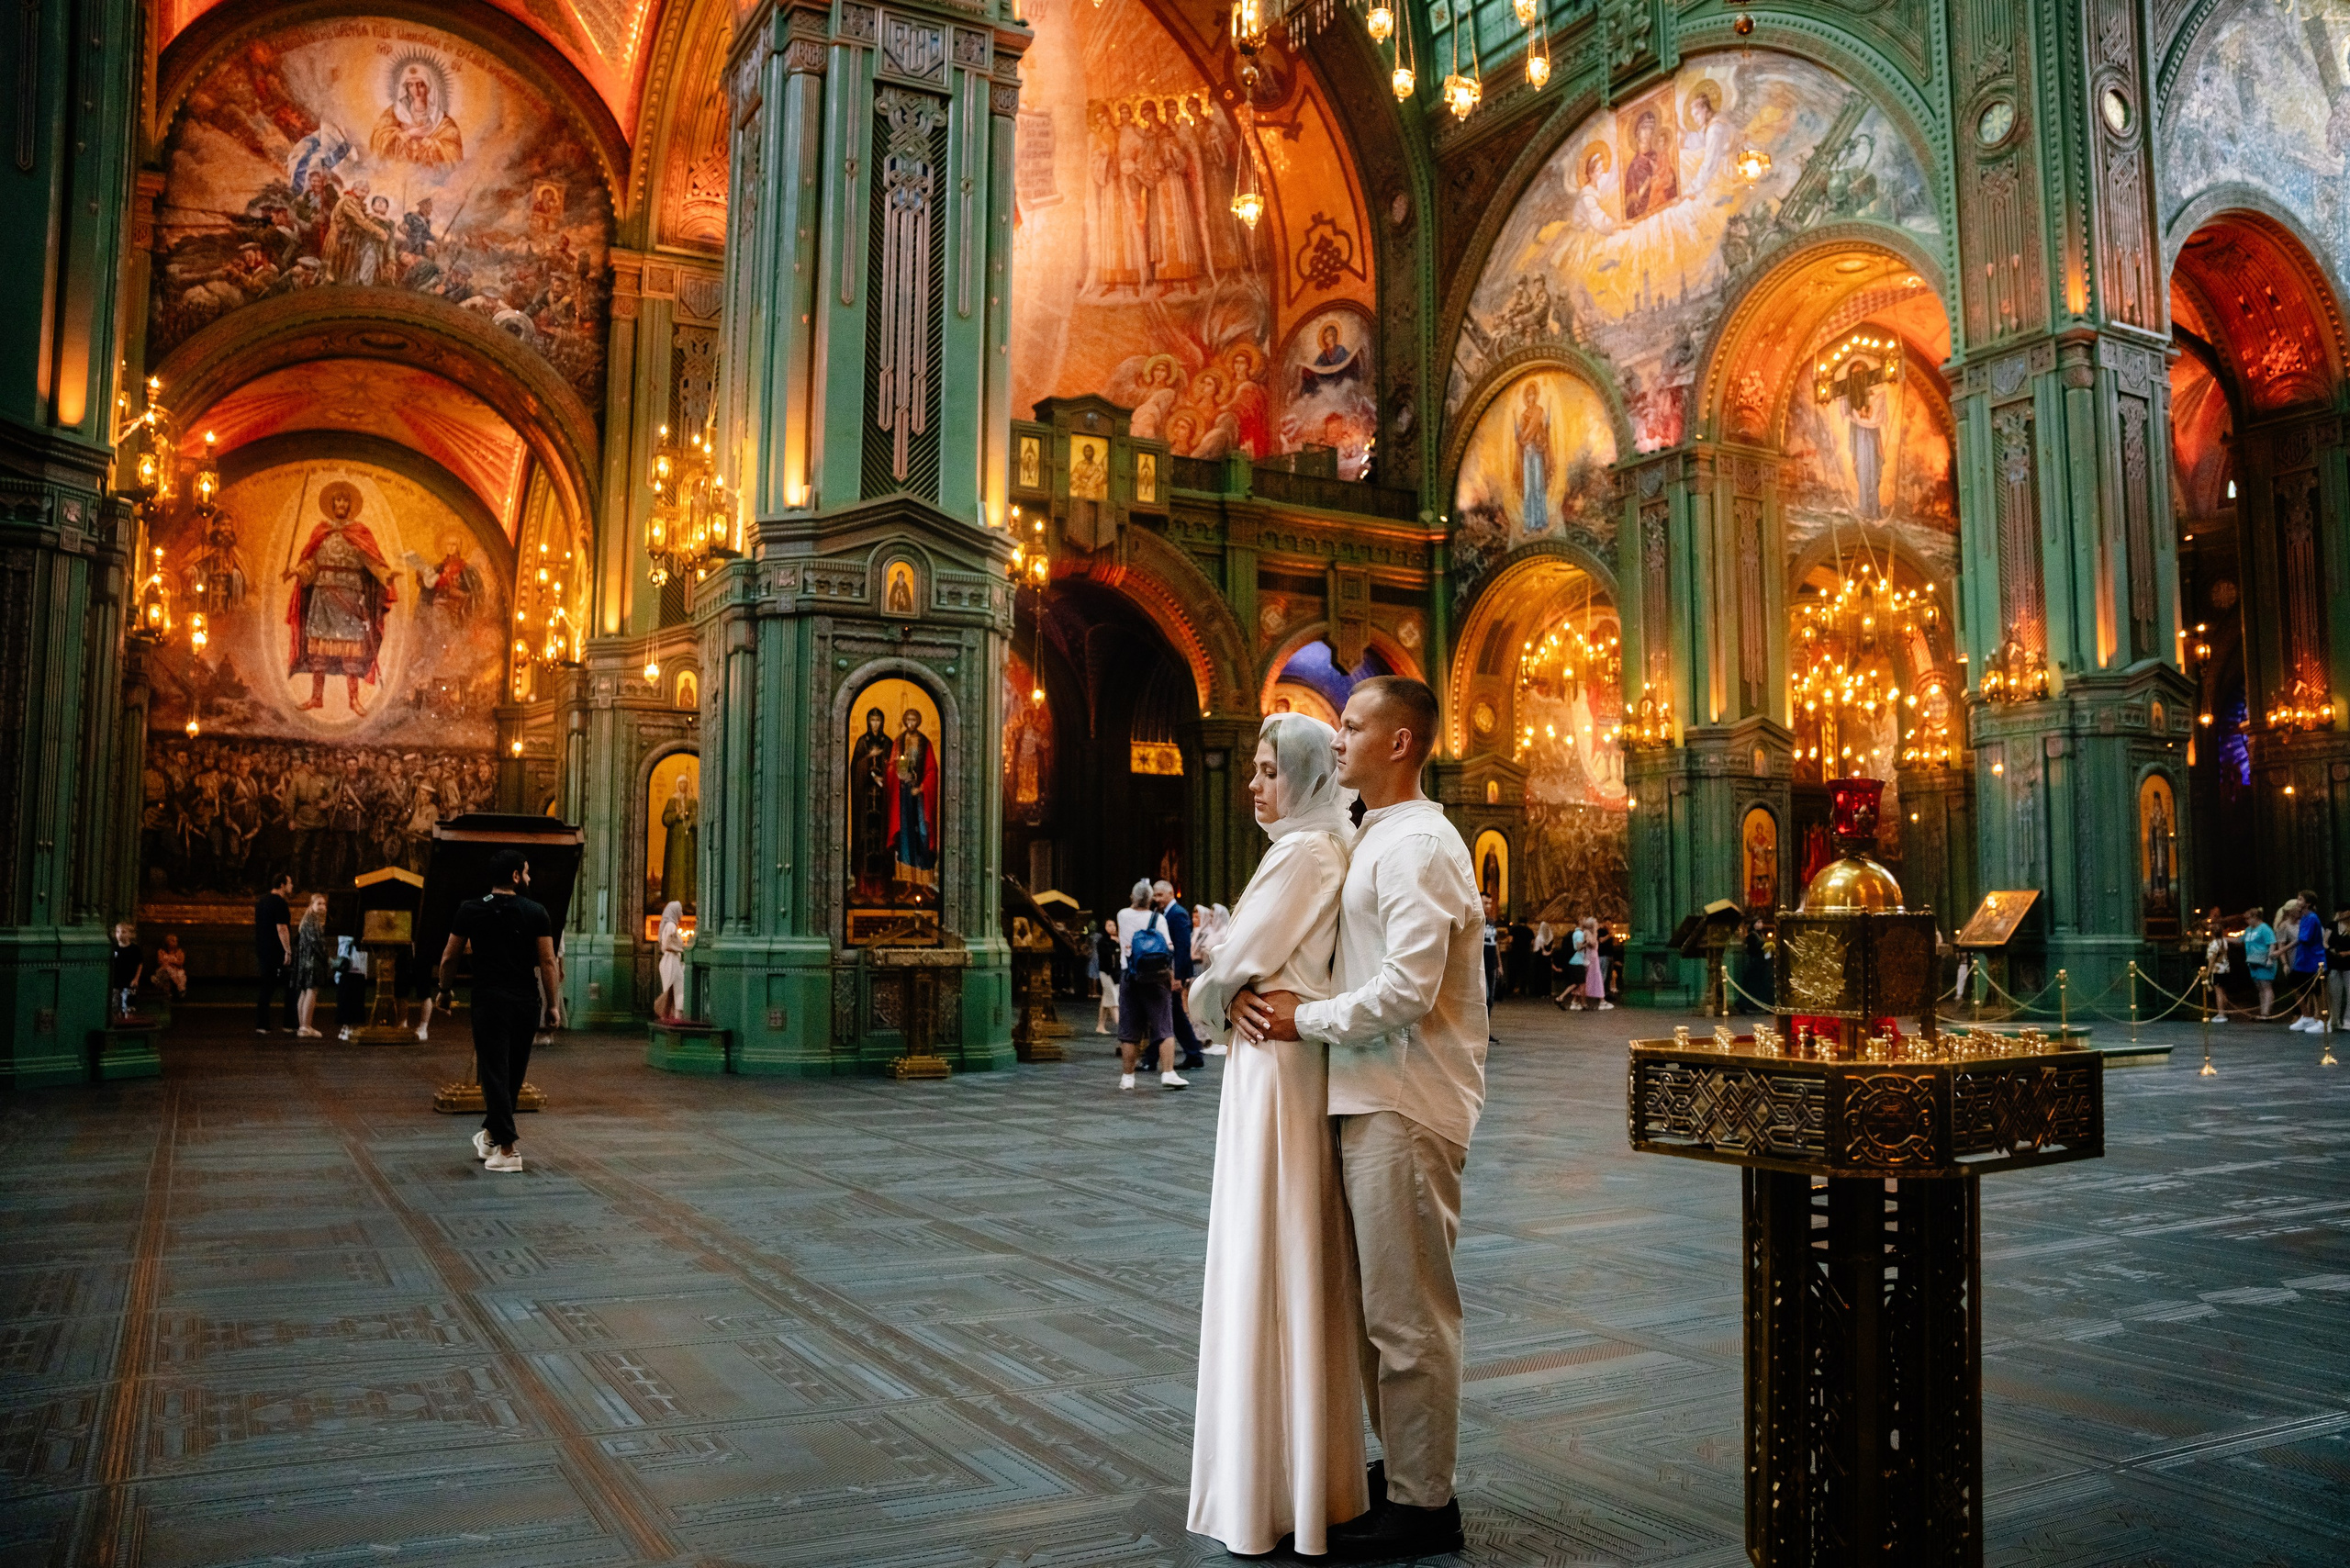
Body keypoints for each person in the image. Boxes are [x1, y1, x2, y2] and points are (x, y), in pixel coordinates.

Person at [1233, 675, 1485, 1562]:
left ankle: (1426, 1503)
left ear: (1400, 744)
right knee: (1382, 1306)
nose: (1334, 741)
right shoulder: (1377, 835)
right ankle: (1406, 1467)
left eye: (1351, 725)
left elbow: (1408, 991)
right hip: (1371, 1094)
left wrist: (1308, 1017)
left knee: (1410, 1313)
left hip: (1407, 1100)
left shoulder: (1419, 845)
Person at [1186, 712, 1367, 1558]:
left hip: (1276, 1066)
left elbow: (1233, 963)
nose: (1253, 784)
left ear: (1305, 776)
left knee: (1270, 1248)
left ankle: (1268, 1488)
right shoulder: (1317, 845)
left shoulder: (1302, 853)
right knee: (1282, 1250)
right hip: (1277, 1059)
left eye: (1266, 771)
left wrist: (1212, 991)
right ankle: (1300, 1478)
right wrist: (1226, 985)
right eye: (1252, 769)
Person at [438, 850, 562, 1173]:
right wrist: (552, 1004)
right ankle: (493, 1136)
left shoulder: (471, 909)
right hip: (524, 1002)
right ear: (517, 877)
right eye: (527, 872)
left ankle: (507, 1151)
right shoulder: (536, 912)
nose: (530, 878)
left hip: (489, 1000)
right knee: (513, 1073)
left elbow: (450, 957)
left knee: (494, 1071)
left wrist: (444, 991)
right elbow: (548, 962)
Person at [1116, 880, 1187, 1091]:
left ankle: (1127, 1077)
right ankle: (1168, 1073)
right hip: (1156, 978)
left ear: (1132, 898)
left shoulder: (1122, 915)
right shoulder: (1159, 919)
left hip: (1129, 976)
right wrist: (1173, 976)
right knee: (1164, 1027)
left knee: (1129, 1029)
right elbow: (1169, 948)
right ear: (1150, 900)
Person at [1154, 879, 1204, 1070]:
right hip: (1169, 973)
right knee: (1174, 1015)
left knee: (1174, 1014)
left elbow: (1182, 948)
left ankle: (1193, 1054)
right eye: (1155, 895)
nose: (1157, 899)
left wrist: (1178, 976)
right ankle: (1193, 1054)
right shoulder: (1165, 913)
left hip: (1175, 974)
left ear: (1170, 894)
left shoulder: (1178, 914)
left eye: (1160, 895)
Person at [254, 871, 296, 1034]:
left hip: (263, 950)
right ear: (282, 885)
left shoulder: (261, 901)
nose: (292, 886)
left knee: (266, 989)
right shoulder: (280, 903)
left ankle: (262, 1025)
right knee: (290, 988)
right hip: (277, 951)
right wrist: (288, 951)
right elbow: (282, 928)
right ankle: (289, 1023)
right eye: (290, 883)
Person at [294, 893, 331, 1037]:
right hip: (312, 961)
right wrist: (327, 958)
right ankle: (306, 1026)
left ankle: (303, 1026)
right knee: (311, 991)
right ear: (311, 905)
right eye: (319, 904)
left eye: (324, 904)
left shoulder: (306, 920)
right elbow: (317, 943)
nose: (323, 907)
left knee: (304, 992)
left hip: (304, 961)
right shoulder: (312, 920)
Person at [2291, 891, 2325, 1031]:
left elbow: (2303, 939)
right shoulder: (2304, 917)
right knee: (2296, 986)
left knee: (2318, 991)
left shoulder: (2312, 918)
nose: (2297, 902)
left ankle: (2324, 1021)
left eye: (2300, 899)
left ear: (2308, 903)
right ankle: (2307, 1017)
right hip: (2303, 961)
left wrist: (2281, 951)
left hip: (2314, 960)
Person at [655, 900, 688, 1022]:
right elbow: (669, 943)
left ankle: (668, 1016)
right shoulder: (671, 926)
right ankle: (677, 1017)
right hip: (672, 961)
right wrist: (683, 948)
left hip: (668, 961)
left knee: (670, 991)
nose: (682, 914)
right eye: (680, 911)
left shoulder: (667, 925)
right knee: (679, 989)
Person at [2243, 905, 2277, 1020]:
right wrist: (2223, 938)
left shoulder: (2264, 928)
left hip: (2264, 961)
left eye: (2248, 918)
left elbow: (2272, 942)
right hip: (2253, 961)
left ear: (2255, 917)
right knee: (2260, 987)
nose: (2247, 921)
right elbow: (2240, 940)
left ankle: (2266, 1013)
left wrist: (2270, 958)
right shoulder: (2248, 930)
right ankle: (2262, 1011)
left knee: (2266, 985)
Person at [1093, 916, 1121, 1035]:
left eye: (1113, 925)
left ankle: (1100, 1025)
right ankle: (1121, 1027)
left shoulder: (1119, 940)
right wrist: (1114, 943)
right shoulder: (1102, 942)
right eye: (1109, 925)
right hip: (1106, 972)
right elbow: (1106, 956)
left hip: (1116, 973)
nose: (1112, 927)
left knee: (1106, 999)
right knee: (1113, 1000)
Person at [109, 924, 142, 1021]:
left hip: (129, 982)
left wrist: (136, 979)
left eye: (123, 932)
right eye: (118, 932)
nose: (120, 935)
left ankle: (128, 1024)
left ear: (129, 934)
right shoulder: (114, 948)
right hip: (116, 982)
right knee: (115, 1007)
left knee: (129, 1006)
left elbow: (140, 964)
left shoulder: (134, 949)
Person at [2329, 910, 2350, 1034]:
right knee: (2334, 994)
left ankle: (2348, 1020)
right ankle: (2334, 1020)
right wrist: (2332, 951)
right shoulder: (2332, 926)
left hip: (2349, 964)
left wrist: (2346, 953)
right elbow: (2325, 943)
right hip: (2335, 964)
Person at [153, 933, 188, 1001]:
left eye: (176, 941)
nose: (175, 943)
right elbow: (160, 962)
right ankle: (181, 988)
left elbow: (180, 963)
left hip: (175, 972)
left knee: (173, 973)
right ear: (167, 942)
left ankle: (168, 994)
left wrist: (168, 962)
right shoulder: (161, 952)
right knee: (167, 969)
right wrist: (173, 963)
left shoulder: (179, 952)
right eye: (173, 941)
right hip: (162, 971)